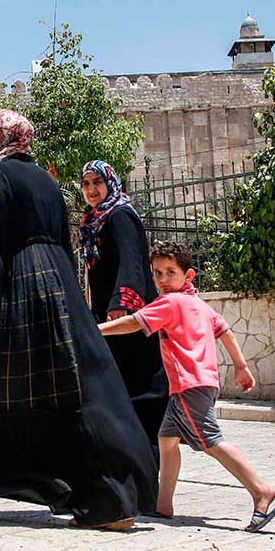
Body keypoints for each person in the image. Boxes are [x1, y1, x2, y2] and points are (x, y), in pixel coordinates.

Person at [0, 109, 157, 530]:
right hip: (59, 295)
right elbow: (64, 243)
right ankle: (109, 502)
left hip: (18, 292)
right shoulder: (48, 181)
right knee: (67, 396)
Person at [99, 241, 275, 533]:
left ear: (188, 276)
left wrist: (97, 330)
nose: (163, 280)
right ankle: (164, 506)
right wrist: (241, 366)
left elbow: (133, 323)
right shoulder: (199, 305)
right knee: (166, 440)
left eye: (170, 272)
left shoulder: (169, 303)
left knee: (211, 442)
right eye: (157, 273)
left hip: (189, 386)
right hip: (201, 385)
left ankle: (261, 490)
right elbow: (225, 331)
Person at [79, 160, 168, 448]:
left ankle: (149, 452)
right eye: (86, 184)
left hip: (127, 315)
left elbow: (132, 261)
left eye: (97, 183)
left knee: (137, 382)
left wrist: (122, 302)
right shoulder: (94, 220)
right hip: (107, 315)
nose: (92, 189)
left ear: (110, 183)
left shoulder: (120, 215)